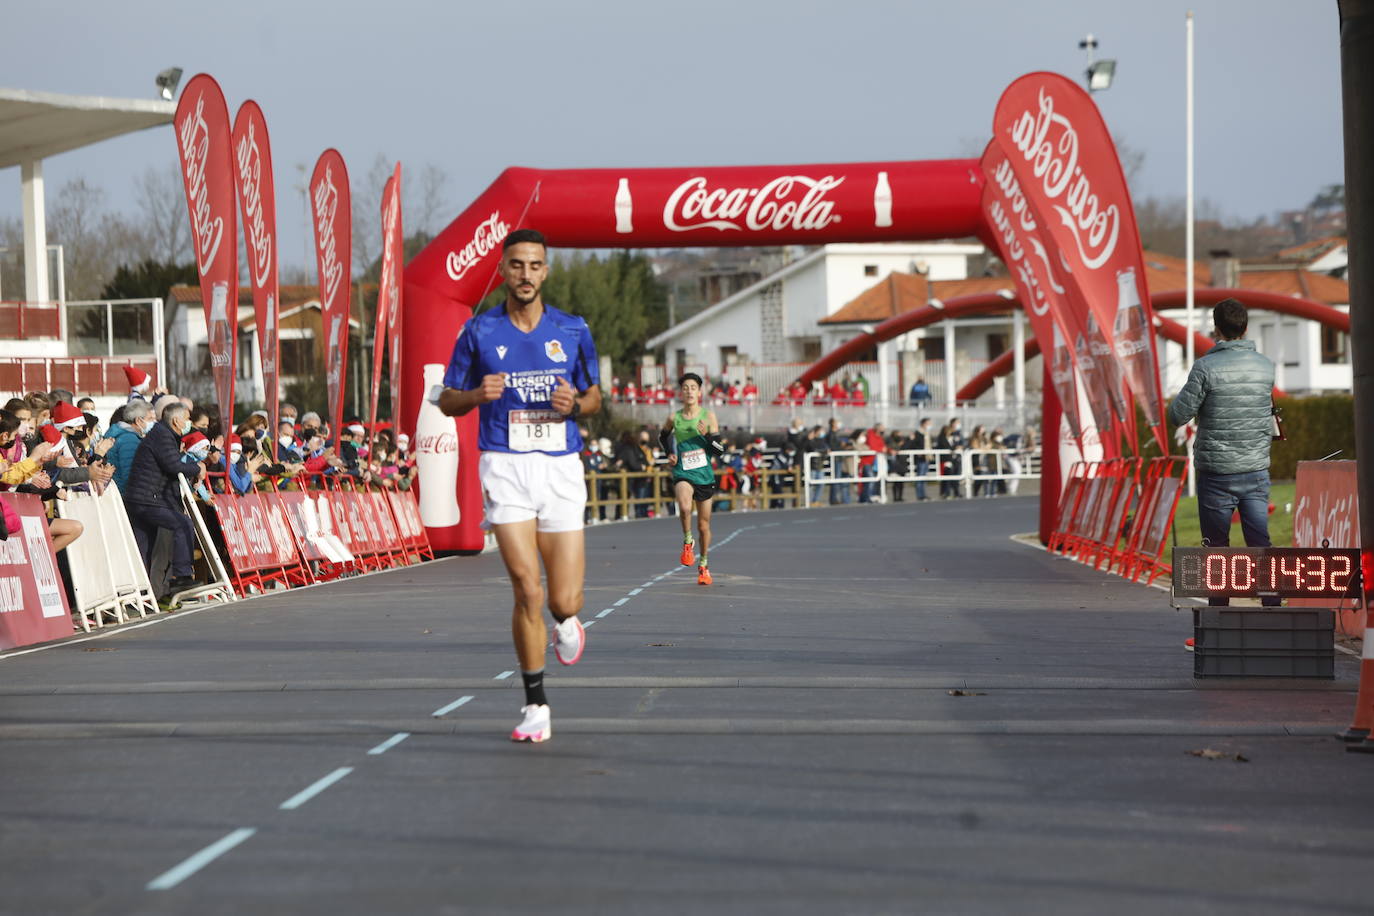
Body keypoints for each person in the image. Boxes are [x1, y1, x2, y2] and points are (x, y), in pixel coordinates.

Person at [435, 228, 601, 744]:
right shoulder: (479, 332)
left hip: (560, 467)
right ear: (503, 271)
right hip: (505, 466)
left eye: (534, 266)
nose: (525, 275)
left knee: (564, 600)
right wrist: (475, 395)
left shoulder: (572, 329)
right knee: (527, 586)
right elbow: (445, 398)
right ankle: (535, 703)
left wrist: (576, 405)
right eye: (516, 266)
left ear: (545, 271)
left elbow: (596, 397)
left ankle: (567, 622)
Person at [1167, 298, 1279, 609]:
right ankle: (1273, 610)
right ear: (1245, 328)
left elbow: (1178, 415)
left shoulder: (1205, 368)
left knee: (1217, 550)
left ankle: (1220, 617)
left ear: (1216, 329)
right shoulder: (1265, 367)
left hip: (1216, 473)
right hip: (1256, 469)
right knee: (1260, 542)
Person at [123, 401, 205, 595]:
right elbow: (173, 465)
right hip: (147, 498)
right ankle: (182, 575)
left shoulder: (163, 434)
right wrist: (197, 468)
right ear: (176, 420)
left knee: (145, 547)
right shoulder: (162, 436)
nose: (189, 423)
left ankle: (145, 594)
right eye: (187, 419)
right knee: (182, 524)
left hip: (141, 497)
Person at [660, 373, 725, 585]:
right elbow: (663, 437)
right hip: (682, 471)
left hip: (704, 475)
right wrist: (670, 452)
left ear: (699, 392)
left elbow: (719, 451)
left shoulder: (708, 417)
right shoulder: (674, 418)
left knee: (704, 526)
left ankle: (704, 565)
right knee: (685, 507)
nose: (689, 391)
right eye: (685, 387)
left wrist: (707, 435)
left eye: (693, 387)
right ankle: (688, 541)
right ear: (681, 392)